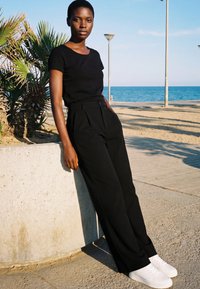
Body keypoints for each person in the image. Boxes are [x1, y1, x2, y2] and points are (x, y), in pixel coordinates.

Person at [48, 1, 177, 288]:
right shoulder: (59, 54)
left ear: (93, 22)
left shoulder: (94, 55)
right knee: (109, 193)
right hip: (82, 124)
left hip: (106, 120)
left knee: (127, 189)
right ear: (69, 21)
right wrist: (67, 144)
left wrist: (110, 113)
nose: (84, 25)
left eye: (89, 20)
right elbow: (56, 103)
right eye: (78, 19)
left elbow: (98, 91)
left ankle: (148, 251)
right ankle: (133, 263)